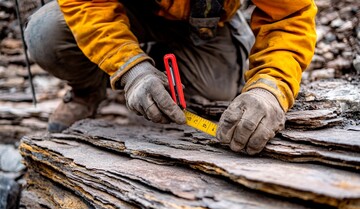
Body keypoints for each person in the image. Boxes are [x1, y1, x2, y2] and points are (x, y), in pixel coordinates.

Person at [24, 0, 317, 155]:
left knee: (221, 91)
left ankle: (161, 58)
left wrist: (270, 86)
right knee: (47, 34)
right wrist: (131, 68)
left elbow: (290, 17)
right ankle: (87, 90)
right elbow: (86, 4)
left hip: (207, 23)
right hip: (128, 10)